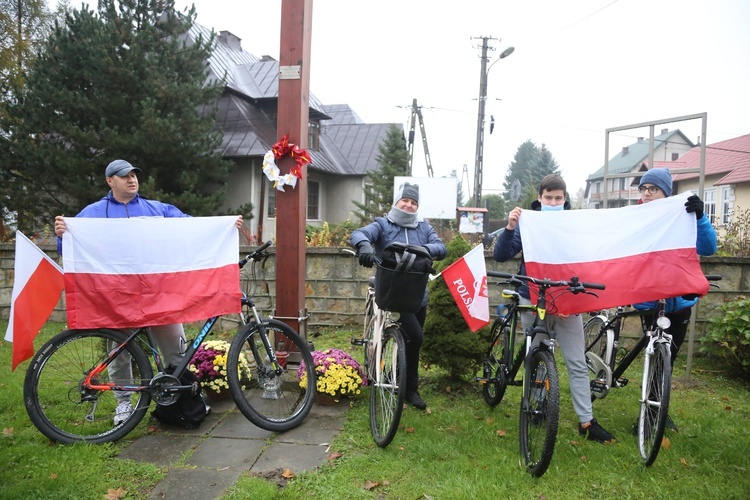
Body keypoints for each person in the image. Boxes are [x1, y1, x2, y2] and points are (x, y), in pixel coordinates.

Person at [54, 159, 243, 425]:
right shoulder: (93, 213)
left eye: (134, 175)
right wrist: (63, 235)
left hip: (159, 294)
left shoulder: (156, 209)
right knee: (119, 354)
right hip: (117, 297)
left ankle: (184, 399)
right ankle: (123, 405)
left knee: (177, 351)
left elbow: (190, 228)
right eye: (124, 176)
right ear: (110, 181)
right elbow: (69, 247)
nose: (131, 179)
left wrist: (222, 227)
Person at [494, 174, 616, 444]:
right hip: (532, 300)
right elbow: (502, 253)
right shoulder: (528, 224)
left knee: (576, 362)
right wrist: (511, 227)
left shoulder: (573, 225)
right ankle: (536, 405)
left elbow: (585, 262)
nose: (552, 202)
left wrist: (570, 302)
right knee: (536, 356)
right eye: (548, 197)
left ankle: (587, 421)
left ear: (565, 200)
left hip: (567, 302)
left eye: (558, 198)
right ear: (539, 198)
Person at [632, 167, 717, 431]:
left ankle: (658, 409)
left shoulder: (684, 215)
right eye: (643, 189)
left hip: (679, 303)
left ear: (665, 192)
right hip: (650, 301)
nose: (647, 194)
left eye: (653, 189)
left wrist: (700, 217)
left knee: (667, 359)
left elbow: (708, 248)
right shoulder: (633, 218)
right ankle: (646, 412)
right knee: (653, 356)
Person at [350, 182, 446, 410]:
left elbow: (441, 247)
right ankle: (384, 373)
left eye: (414, 202)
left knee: (413, 344)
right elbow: (359, 233)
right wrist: (364, 246)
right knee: (417, 336)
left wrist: (422, 250)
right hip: (391, 291)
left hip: (416, 293)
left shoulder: (424, 228)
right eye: (405, 200)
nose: (409, 205)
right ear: (396, 202)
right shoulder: (383, 224)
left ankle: (409, 389)